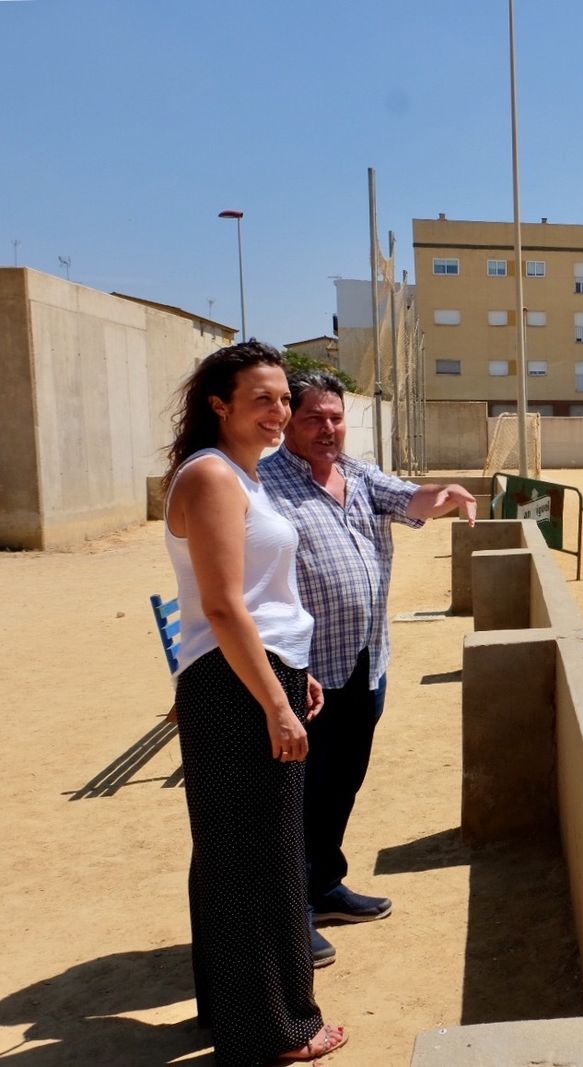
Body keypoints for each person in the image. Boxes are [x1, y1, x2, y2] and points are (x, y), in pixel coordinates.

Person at [161, 341, 348, 1065]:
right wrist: (274, 701)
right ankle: (275, 1030)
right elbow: (223, 606)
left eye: (283, 399)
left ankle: (234, 1012)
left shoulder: (247, 474)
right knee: (259, 857)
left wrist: (290, 668)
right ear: (220, 405)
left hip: (255, 670)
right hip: (235, 684)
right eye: (262, 399)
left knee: (234, 851)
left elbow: (262, 599)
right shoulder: (212, 476)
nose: (280, 413)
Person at [260, 370, 476, 967]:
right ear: (288, 422)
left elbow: (410, 499)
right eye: (313, 418)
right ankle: (291, 915)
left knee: (341, 782)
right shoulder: (264, 485)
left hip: (364, 658)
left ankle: (324, 884)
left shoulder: (356, 475)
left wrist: (444, 495)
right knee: (297, 794)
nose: (328, 428)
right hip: (303, 671)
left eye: (334, 417)